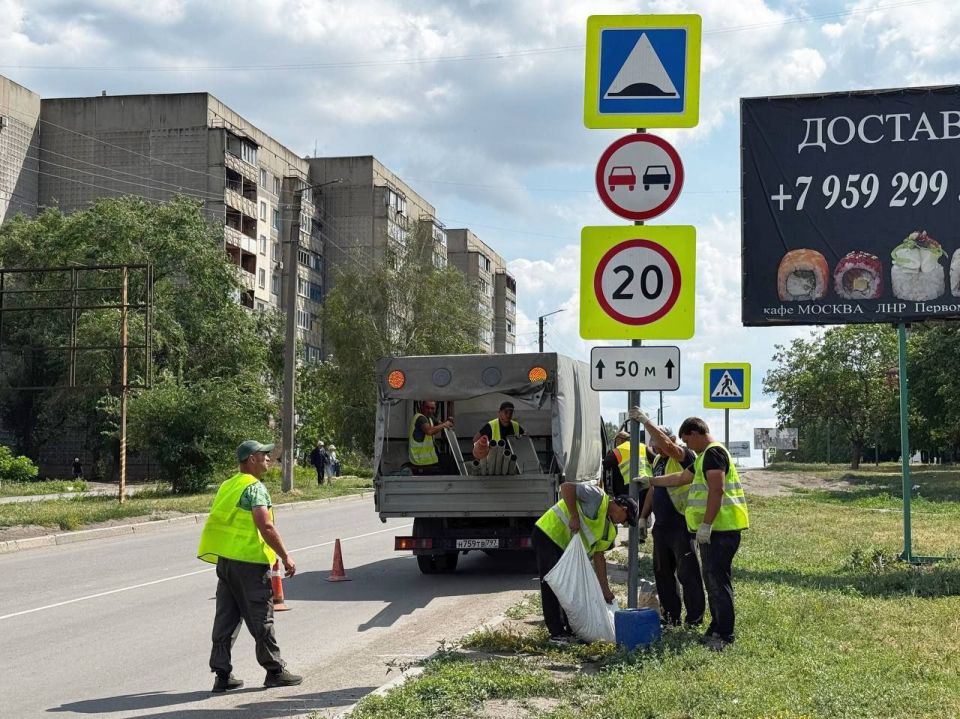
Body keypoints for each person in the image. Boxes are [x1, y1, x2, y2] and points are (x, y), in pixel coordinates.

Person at [197, 440, 302, 691]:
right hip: (250, 563)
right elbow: (265, 526)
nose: (268, 458)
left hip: (226, 562)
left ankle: (222, 675)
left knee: (226, 618)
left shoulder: (228, 485)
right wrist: (285, 556)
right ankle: (274, 671)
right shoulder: (255, 488)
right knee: (261, 616)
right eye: (263, 454)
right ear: (251, 459)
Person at [648, 417, 749, 651]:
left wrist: (706, 524)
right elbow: (681, 478)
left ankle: (725, 634)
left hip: (721, 530)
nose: (687, 446)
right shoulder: (704, 456)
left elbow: (717, 489)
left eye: (687, 441)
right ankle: (716, 626)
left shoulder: (713, 453)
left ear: (695, 433)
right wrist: (651, 480)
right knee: (711, 581)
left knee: (718, 582)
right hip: (714, 531)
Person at [532, 481, 639, 643]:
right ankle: (556, 632)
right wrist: (574, 515)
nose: (622, 523)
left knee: (570, 587)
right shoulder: (597, 497)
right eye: (625, 519)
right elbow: (566, 487)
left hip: (566, 548)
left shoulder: (610, 531)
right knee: (552, 584)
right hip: (549, 534)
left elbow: (599, 557)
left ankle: (570, 629)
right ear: (622, 508)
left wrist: (605, 590)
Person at [630, 408, 705, 629]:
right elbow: (654, 488)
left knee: (688, 573)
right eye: (654, 445)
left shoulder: (683, 455)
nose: (657, 448)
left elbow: (670, 448)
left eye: (659, 443)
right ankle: (672, 617)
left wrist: (646, 421)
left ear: (671, 440)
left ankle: (694, 619)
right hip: (662, 526)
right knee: (663, 574)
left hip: (681, 524)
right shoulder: (658, 461)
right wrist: (643, 517)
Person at [601, 426, 651, 500]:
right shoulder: (643, 446)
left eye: (616, 441)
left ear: (620, 439)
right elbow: (655, 458)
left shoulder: (618, 450)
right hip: (648, 483)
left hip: (630, 485)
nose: (616, 443)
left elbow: (606, 462)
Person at [409, 400, 454, 475]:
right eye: (427, 407)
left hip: (428, 460)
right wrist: (444, 425)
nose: (430, 410)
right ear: (422, 407)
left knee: (449, 461)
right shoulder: (421, 418)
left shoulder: (430, 418)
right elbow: (429, 431)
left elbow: (439, 426)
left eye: (432, 408)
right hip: (420, 461)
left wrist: (448, 423)